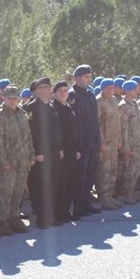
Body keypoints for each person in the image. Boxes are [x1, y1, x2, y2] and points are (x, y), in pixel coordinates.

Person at [0, 85, 34, 236]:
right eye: (9, 98)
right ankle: (3, 221)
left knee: (18, 191)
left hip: (22, 160)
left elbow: (28, 136)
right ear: (4, 98)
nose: (12, 101)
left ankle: (15, 217)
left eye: (15, 98)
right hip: (8, 162)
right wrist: (3, 161)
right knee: (5, 192)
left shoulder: (22, 114)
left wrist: (31, 155)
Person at [26, 78, 63, 229]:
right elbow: (31, 132)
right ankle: (42, 218)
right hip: (41, 153)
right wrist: (37, 151)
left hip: (53, 151)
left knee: (53, 184)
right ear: (36, 90)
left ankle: (51, 216)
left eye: (46, 87)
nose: (43, 90)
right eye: (40, 87)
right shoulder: (31, 107)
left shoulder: (50, 105)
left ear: (50, 89)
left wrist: (60, 148)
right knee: (41, 186)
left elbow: (56, 129)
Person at [69, 65, 100, 215]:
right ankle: (78, 206)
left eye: (89, 76)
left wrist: (98, 140)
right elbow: (74, 123)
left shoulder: (89, 94)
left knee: (89, 174)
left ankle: (86, 202)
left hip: (92, 141)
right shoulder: (73, 95)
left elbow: (95, 120)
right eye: (86, 77)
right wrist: (77, 145)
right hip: (82, 144)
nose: (89, 79)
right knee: (80, 176)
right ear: (77, 78)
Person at [53, 81, 82, 222]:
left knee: (70, 182)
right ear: (55, 93)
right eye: (60, 91)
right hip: (61, 152)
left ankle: (66, 210)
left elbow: (75, 129)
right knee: (61, 184)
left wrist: (77, 148)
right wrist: (60, 148)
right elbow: (55, 132)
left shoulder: (69, 108)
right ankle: (58, 213)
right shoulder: (54, 109)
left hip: (71, 151)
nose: (63, 93)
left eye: (65, 90)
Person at [95, 79, 122, 210]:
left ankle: (110, 196)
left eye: (112, 87)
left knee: (113, 170)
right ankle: (104, 198)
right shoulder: (98, 101)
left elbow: (117, 122)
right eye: (107, 88)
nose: (110, 90)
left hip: (113, 141)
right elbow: (96, 124)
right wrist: (101, 142)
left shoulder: (114, 100)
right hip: (105, 142)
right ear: (102, 88)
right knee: (104, 171)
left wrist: (119, 139)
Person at [117, 80, 140, 205]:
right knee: (129, 169)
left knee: (137, 168)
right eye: (135, 89)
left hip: (138, 142)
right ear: (128, 91)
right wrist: (126, 146)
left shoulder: (135, 103)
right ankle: (128, 195)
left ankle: (132, 192)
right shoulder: (123, 106)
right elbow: (123, 128)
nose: (138, 91)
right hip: (130, 143)